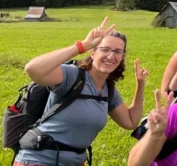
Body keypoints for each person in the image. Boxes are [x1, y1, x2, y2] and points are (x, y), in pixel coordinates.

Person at [15, 17, 148, 166]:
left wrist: (141, 84)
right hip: (39, 160)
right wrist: (81, 46)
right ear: (93, 53)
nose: (111, 56)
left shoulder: (108, 90)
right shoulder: (73, 76)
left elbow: (130, 121)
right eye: (105, 49)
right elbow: (33, 69)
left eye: (118, 51)